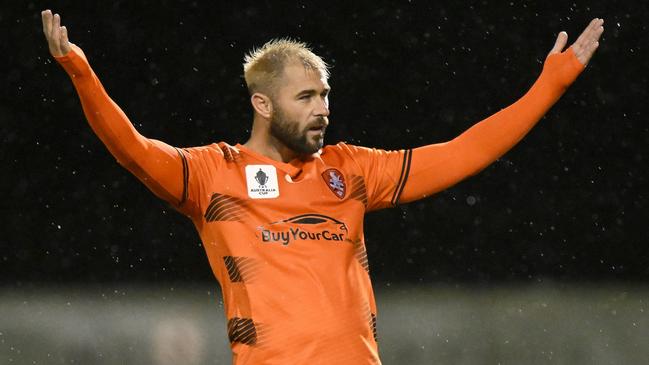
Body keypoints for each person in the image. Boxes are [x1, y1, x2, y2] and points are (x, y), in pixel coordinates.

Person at [41, 9, 604, 364]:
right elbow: (133, 148)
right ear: (262, 104)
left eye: (325, 96)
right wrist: (81, 73)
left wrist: (547, 88)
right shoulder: (214, 175)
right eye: (306, 98)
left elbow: (461, 153)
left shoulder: (350, 171)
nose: (323, 110)